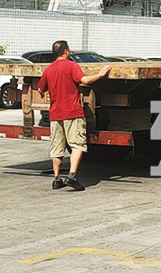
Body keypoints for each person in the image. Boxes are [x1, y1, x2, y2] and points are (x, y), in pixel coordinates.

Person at [37, 40, 112, 191]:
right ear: (65, 51)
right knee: (77, 145)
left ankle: (57, 179)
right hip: (72, 113)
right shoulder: (72, 66)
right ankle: (71, 176)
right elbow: (85, 80)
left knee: (57, 148)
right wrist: (101, 74)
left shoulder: (49, 69)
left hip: (55, 114)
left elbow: (40, 89)